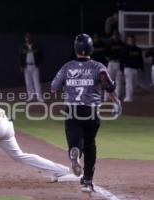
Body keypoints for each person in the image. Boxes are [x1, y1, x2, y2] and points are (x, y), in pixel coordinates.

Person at [51, 34, 122, 193]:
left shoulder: (67, 67)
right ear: (91, 48)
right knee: (90, 144)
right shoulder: (99, 67)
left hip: (73, 110)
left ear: (75, 49)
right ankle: (88, 180)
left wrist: (68, 87)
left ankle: (75, 151)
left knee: (74, 137)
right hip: (91, 112)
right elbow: (109, 87)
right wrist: (116, 102)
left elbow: (54, 88)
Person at [19, 32, 44, 102]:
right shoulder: (23, 47)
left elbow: (40, 55)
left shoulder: (36, 46)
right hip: (26, 66)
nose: (28, 39)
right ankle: (31, 96)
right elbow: (20, 56)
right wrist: (21, 65)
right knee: (28, 82)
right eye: (26, 37)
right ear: (25, 38)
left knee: (36, 82)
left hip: (34, 66)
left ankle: (39, 97)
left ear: (31, 38)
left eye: (29, 37)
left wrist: (39, 64)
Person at [122, 35, 144, 102]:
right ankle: (128, 98)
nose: (131, 42)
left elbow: (140, 59)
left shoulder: (138, 49)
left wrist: (142, 68)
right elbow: (122, 59)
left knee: (134, 84)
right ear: (128, 41)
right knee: (129, 84)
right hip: (128, 68)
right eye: (130, 40)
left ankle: (131, 96)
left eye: (133, 40)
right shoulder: (125, 49)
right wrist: (121, 69)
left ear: (135, 41)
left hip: (135, 69)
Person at [106, 31, 125, 100]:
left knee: (119, 80)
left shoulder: (122, 44)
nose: (116, 36)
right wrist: (108, 58)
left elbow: (124, 53)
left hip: (119, 63)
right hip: (111, 62)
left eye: (117, 35)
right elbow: (105, 52)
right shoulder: (110, 44)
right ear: (113, 36)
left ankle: (117, 96)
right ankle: (107, 96)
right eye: (115, 35)